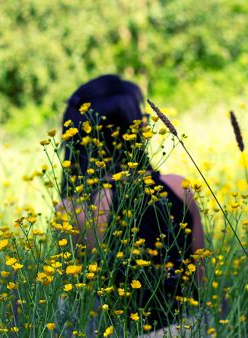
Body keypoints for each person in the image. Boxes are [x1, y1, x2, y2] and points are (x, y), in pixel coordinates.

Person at [56, 74, 205, 334]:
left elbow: (76, 300)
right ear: (135, 129)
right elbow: (200, 281)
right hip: (191, 329)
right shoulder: (180, 189)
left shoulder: (74, 211)